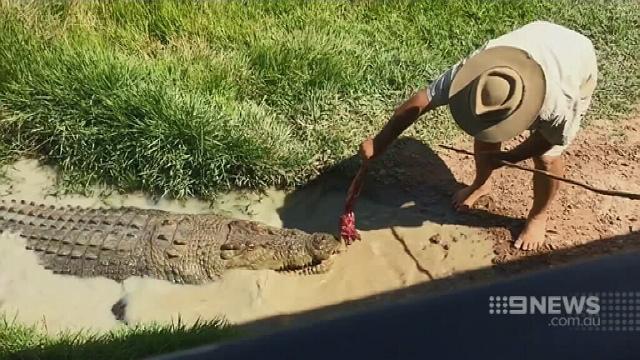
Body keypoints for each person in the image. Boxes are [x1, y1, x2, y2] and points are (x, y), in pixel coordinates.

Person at [359, 21, 598, 251]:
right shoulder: (473, 75)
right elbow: (422, 101)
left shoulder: (558, 103)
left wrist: (510, 156)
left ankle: (538, 215)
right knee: (485, 128)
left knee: (547, 159)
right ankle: (481, 184)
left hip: (575, 60)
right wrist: (379, 142)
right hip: (538, 36)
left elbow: (547, 140)